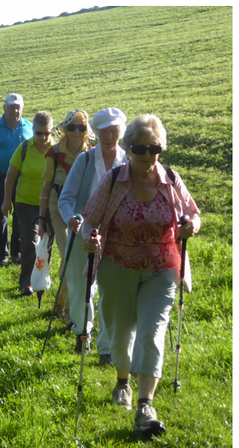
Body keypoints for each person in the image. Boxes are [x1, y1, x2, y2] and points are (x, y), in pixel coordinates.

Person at [81, 114, 200, 439]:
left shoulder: (170, 179)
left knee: (151, 332)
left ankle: (145, 405)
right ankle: (122, 380)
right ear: (129, 148)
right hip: (118, 266)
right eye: (141, 149)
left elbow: (192, 213)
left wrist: (191, 225)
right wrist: (91, 239)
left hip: (162, 268)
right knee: (121, 330)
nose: (148, 156)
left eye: (155, 148)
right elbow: (90, 220)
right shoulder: (115, 179)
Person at [58, 107, 128, 361]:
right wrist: (72, 219)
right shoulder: (84, 161)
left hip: (116, 237)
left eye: (114, 131)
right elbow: (65, 200)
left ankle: (107, 348)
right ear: (96, 133)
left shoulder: (128, 163)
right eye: (104, 132)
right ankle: (82, 332)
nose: (109, 136)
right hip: (83, 233)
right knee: (80, 286)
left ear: (121, 132)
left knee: (111, 289)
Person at [40, 109, 94, 337]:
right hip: (56, 208)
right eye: (72, 127)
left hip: (81, 212)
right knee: (69, 255)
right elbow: (46, 186)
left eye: (81, 127)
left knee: (71, 258)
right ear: (65, 129)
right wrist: (42, 217)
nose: (76, 131)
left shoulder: (92, 154)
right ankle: (72, 313)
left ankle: (60, 305)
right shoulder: (55, 153)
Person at [0, 111, 54, 296]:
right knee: (30, 243)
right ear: (33, 130)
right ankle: (27, 283)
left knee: (47, 242)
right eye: (39, 133)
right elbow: (11, 175)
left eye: (47, 133)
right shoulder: (24, 148)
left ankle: (42, 279)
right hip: (26, 202)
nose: (43, 137)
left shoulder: (55, 150)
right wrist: (7, 200)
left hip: (49, 204)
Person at [0, 93, 34, 266]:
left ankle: (16, 252)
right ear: (5, 108)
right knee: (1, 212)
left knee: (19, 213)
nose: (15, 111)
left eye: (18, 107)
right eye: (11, 108)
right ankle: (2, 252)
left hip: (22, 177)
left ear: (22, 109)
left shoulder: (29, 127)